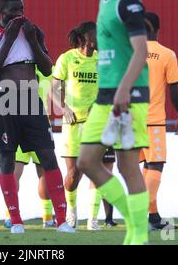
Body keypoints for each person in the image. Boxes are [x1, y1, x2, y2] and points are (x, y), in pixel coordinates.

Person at [0, 0, 74, 234]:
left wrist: (32, 40)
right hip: (6, 100)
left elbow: (46, 69)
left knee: (48, 156)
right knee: (7, 158)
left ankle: (62, 221)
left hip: (31, 99)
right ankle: (16, 221)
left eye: (21, 9)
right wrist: (9, 39)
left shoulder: (34, 30)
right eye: (13, 10)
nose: (19, 14)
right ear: (2, 11)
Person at [78, 0, 150, 245]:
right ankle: (135, 226)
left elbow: (141, 51)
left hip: (128, 97)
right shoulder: (105, 1)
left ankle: (138, 236)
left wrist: (123, 89)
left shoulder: (127, 2)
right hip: (105, 97)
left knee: (128, 167)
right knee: (86, 162)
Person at [52, 21, 117, 230]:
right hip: (72, 124)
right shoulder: (67, 58)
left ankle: (93, 218)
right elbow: (53, 89)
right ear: (87, 38)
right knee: (73, 175)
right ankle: (71, 213)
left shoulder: (103, 61)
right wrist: (64, 108)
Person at [140, 12, 178, 230]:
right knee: (156, 165)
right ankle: (139, 216)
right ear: (158, 29)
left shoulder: (131, 53)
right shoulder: (167, 54)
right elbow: (174, 92)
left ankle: (153, 218)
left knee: (147, 166)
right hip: (154, 121)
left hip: (132, 119)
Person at [4, 68, 56, 229]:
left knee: (15, 170)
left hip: (19, 122)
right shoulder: (49, 69)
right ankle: (47, 218)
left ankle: (10, 216)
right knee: (44, 171)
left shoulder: (17, 65)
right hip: (39, 124)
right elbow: (57, 93)